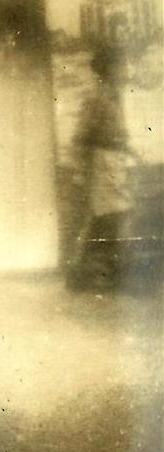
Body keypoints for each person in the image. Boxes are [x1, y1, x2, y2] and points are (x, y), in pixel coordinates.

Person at [67, 45, 137, 289]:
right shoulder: (96, 98)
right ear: (109, 69)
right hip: (102, 163)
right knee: (107, 217)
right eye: (121, 65)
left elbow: (119, 135)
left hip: (115, 161)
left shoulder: (114, 96)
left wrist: (132, 153)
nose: (125, 70)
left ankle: (103, 272)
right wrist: (79, 172)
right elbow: (81, 137)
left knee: (113, 217)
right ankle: (81, 274)